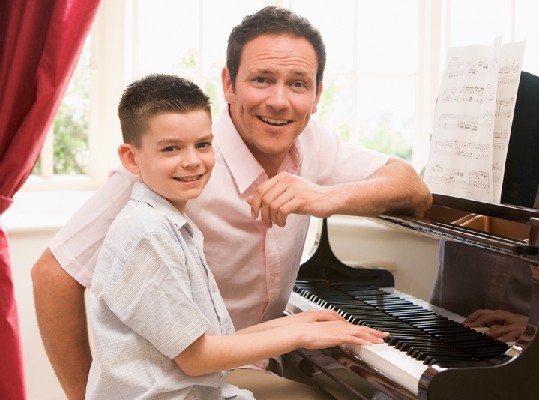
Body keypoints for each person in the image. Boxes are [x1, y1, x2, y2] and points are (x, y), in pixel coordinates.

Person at [32, 6, 432, 400]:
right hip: (189, 379)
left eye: (297, 83)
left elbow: (413, 188)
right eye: (262, 79)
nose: (279, 101)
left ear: (316, 95)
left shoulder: (313, 141)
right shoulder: (170, 170)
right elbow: (53, 274)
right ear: (228, 84)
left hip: (236, 363)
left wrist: (328, 197)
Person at [85, 73, 388, 399]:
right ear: (131, 158)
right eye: (171, 149)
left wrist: (298, 323)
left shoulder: (167, 222)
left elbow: (212, 341)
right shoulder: (148, 234)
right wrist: (299, 335)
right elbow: (196, 359)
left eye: (202, 144)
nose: (192, 161)